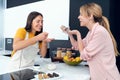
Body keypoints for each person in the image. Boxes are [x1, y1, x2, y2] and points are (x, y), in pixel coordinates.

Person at [62, 3, 120, 80]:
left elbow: (83, 54)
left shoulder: (100, 32)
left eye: (81, 14)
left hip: (107, 77)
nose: (78, 17)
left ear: (90, 16)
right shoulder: (91, 32)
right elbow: (77, 46)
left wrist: (78, 34)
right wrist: (70, 34)